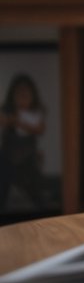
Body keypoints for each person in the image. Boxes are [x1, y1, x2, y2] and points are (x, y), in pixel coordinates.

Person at [0, 74, 49, 210]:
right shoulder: (9, 111)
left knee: (36, 192)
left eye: (26, 94)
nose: (22, 97)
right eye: (19, 94)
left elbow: (40, 129)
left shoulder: (36, 113)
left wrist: (19, 122)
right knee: (2, 188)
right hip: (7, 158)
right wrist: (12, 119)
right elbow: (2, 120)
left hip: (27, 158)